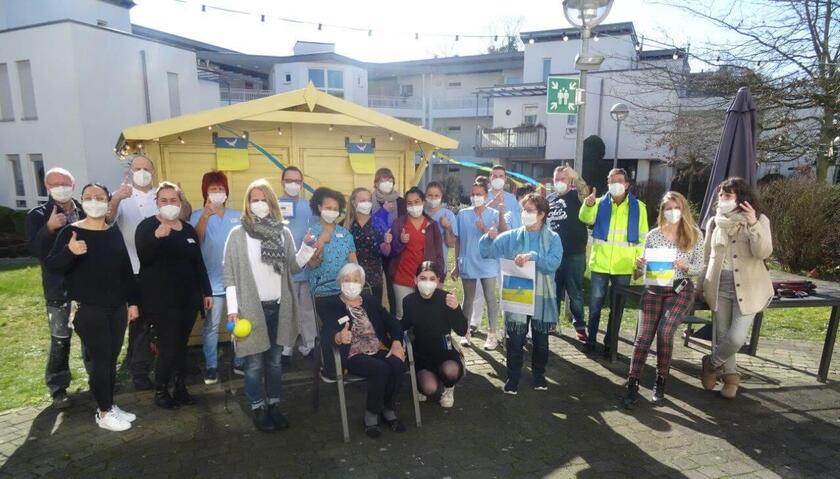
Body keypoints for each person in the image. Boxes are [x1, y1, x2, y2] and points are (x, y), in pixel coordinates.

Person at [44, 183, 139, 431]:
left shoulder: (113, 232)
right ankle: (103, 412)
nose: (94, 201)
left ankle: (109, 404)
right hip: (88, 309)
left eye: (99, 197)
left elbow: (126, 270)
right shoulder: (71, 232)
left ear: (108, 202)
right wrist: (70, 251)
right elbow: (53, 266)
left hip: (116, 308)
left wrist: (133, 302)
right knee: (99, 359)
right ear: (82, 201)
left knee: (111, 358)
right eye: (88, 197)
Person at [223, 179, 303, 432]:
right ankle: (258, 407)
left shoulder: (282, 233)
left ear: (272, 203)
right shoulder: (237, 235)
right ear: (247, 203)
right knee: (254, 364)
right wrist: (233, 310)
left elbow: (293, 266)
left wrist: (309, 249)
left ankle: (274, 405)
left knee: (275, 362)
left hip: (279, 307)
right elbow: (229, 277)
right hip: (251, 310)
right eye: (254, 199)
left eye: (264, 199)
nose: (259, 204)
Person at [108, 155, 192, 391]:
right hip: (134, 270)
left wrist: (182, 197)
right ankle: (139, 370)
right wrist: (116, 198)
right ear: (130, 171)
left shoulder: (161, 195)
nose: (142, 172)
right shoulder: (122, 196)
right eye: (138, 168)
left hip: (163, 271)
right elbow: (107, 219)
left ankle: (168, 367)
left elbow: (184, 216)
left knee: (164, 323)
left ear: (153, 172)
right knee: (140, 324)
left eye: (146, 168)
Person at [622, 192, 704, 408]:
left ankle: (661, 379)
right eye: (668, 208)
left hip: (680, 289)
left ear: (683, 209)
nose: (672, 212)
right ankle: (633, 381)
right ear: (662, 211)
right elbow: (641, 272)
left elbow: (699, 267)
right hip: (654, 288)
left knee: (665, 331)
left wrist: (685, 266)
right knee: (643, 338)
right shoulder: (653, 235)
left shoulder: (694, 235)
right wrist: (639, 266)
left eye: (676, 208)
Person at [135, 182, 211, 409]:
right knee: (168, 346)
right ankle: (161, 391)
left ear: (180, 203)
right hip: (161, 300)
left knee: (181, 344)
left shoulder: (187, 229)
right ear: (157, 203)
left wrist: (206, 291)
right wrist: (156, 238)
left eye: (173, 200)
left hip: (188, 299)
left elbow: (198, 262)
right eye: (164, 200)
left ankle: (180, 387)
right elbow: (144, 258)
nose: (169, 204)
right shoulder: (147, 226)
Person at [480, 193, 563, 394]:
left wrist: (532, 257)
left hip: (541, 297)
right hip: (518, 296)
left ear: (542, 214)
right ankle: (513, 377)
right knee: (515, 340)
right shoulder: (512, 236)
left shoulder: (553, 238)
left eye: (530, 210)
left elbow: (553, 264)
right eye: (524, 210)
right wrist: (488, 237)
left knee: (541, 341)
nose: (525, 213)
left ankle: (539, 375)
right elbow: (486, 252)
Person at [699, 177, 773, 400]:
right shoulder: (714, 222)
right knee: (722, 335)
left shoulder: (759, 219)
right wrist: (700, 284)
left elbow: (763, 252)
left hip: (749, 288)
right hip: (718, 285)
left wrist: (753, 224)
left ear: (741, 198)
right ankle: (731, 377)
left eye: (728, 195)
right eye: (721, 195)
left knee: (736, 338)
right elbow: (707, 257)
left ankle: (710, 363)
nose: (723, 199)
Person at [318, 263, 406, 438]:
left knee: (397, 363)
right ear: (339, 282)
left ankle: (388, 408)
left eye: (355, 280)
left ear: (362, 283)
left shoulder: (370, 301)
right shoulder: (330, 304)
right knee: (380, 368)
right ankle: (371, 416)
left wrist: (396, 342)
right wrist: (338, 336)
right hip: (352, 353)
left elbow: (392, 322)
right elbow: (326, 331)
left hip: (377, 347)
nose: (351, 283)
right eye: (346, 279)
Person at [25, 167, 86, 409]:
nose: (61, 187)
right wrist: (49, 228)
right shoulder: (38, 215)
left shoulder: (83, 209)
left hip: (86, 287)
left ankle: (98, 379)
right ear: (47, 187)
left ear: (73, 185)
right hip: (58, 288)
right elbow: (35, 250)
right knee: (61, 340)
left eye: (65, 183)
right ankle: (58, 387)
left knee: (92, 337)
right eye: (55, 183)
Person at [579, 168, 648, 356]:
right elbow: (585, 218)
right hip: (600, 264)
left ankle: (611, 344)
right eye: (611, 181)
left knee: (617, 309)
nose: (615, 184)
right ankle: (590, 341)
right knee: (595, 307)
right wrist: (588, 205)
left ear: (627, 184)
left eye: (619, 180)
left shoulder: (639, 207)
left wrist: (638, 264)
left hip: (623, 266)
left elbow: (642, 238)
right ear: (608, 183)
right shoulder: (597, 203)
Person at [190, 171, 241, 384]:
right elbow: (195, 240)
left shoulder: (237, 215)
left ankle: (240, 361)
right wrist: (205, 216)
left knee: (239, 323)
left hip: (235, 281)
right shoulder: (197, 215)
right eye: (213, 189)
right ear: (206, 192)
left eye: (221, 188)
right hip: (211, 283)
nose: (218, 192)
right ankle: (211, 366)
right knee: (211, 326)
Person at [402, 261, 467, 408]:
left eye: (432, 279)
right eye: (423, 278)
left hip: (444, 349)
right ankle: (423, 382)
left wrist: (456, 309)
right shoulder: (409, 301)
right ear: (415, 280)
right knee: (429, 388)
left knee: (451, 371)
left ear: (438, 281)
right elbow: (404, 324)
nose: (427, 282)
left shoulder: (446, 298)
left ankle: (449, 387)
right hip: (422, 353)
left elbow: (462, 330)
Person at [452, 181, 501, 351]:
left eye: (479, 194)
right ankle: (465, 332)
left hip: (487, 261)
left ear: (486, 195)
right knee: (468, 298)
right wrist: (456, 264)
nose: (475, 197)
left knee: (490, 296)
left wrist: (484, 229)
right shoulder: (463, 214)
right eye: (473, 194)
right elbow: (457, 240)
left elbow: (497, 238)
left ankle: (492, 334)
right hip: (468, 261)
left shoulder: (494, 214)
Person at [278, 167, 317, 366]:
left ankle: (309, 345)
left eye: (297, 181)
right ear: (282, 182)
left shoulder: (309, 206)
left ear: (302, 183)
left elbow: (317, 230)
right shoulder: (274, 205)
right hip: (284, 269)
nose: (293, 184)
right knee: (287, 311)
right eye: (289, 180)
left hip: (307, 267)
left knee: (307, 310)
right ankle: (286, 349)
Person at [386, 187, 445, 320]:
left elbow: (439, 253)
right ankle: (403, 334)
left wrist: (440, 277)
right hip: (402, 277)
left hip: (426, 278)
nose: (413, 206)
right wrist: (401, 241)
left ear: (423, 202)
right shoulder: (399, 223)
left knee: (425, 315)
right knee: (402, 314)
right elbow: (391, 252)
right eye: (410, 203)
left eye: (417, 202)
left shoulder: (432, 224)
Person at [547, 166, 589, 341]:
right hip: (554, 255)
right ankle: (552, 323)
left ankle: (579, 325)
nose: (559, 182)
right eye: (556, 179)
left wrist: (576, 177)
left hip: (574, 254)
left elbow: (585, 193)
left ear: (569, 181)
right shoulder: (549, 199)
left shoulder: (576, 196)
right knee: (553, 291)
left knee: (575, 293)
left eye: (563, 179)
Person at [306, 187, 358, 297]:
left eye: (335, 209)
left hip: (345, 290)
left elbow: (353, 262)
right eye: (328, 208)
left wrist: (356, 285)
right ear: (319, 207)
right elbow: (312, 264)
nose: (332, 212)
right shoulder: (311, 234)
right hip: (320, 291)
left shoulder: (345, 233)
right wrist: (320, 243)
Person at [371, 168, 406, 312]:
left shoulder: (401, 202)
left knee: (393, 286)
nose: (387, 183)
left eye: (390, 180)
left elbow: (405, 223)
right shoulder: (369, 201)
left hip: (395, 250)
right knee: (376, 288)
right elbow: (370, 223)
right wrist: (383, 211)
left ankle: (394, 316)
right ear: (376, 183)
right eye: (383, 180)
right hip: (374, 250)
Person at [346, 187, 388, 302]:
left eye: (369, 200)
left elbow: (386, 252)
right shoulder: (345, 225)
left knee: (374, 309)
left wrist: (387, 243)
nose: (366, 204)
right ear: (354, 202)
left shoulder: (379, 223)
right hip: (351, 278)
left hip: (374, 277)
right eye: (362, 201)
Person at [423, 182, 457, 273]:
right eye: (430, 195)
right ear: (425, 196)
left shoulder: (448, 215)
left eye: (436, 195)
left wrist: (448, 227)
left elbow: (451, 244)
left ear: (441, 196)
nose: (433, 198)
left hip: (439, 263)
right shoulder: (420, 213)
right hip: (419, 262)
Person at [487, 165, 521, 231]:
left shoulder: (511, 198)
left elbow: (517, 219)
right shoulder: (482, 196)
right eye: (495, 176)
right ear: (490, 178)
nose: (498, 179)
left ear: (505, 179)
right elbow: (475, 216)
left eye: (501, 176)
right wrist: (492, 203)